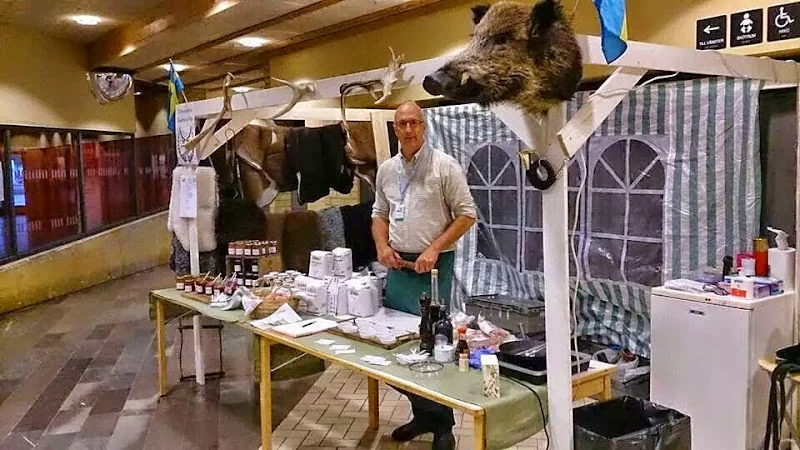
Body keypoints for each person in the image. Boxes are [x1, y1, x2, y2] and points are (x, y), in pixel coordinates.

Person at [371, 101, 477, 450]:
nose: (408, 129)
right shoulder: (387, 170)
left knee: (433, 344)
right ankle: (423, 414)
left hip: (433, 265)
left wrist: (434, 248)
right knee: (398, 346)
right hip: (398, 266)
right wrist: (382, 246)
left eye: (414, 122)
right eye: (401, 123)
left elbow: (467, 214)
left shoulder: (445, 166)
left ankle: (443, 424)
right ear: (394, 128)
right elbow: (379, 213)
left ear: (424, 125)